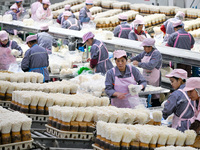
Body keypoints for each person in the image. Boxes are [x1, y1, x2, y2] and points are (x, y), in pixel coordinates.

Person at [130, 38, 162, 106]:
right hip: (146, 76)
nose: (144, 49)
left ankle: (156, 108)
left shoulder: (156, 54)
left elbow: (151, 65)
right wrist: (130, 59)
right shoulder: (145, 52)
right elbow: (138, 57)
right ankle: (145, 105)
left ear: (150, 47)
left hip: (154, 77)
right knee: (145, 93)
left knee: (154, 94)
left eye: (145, 47)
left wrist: (138, 64)